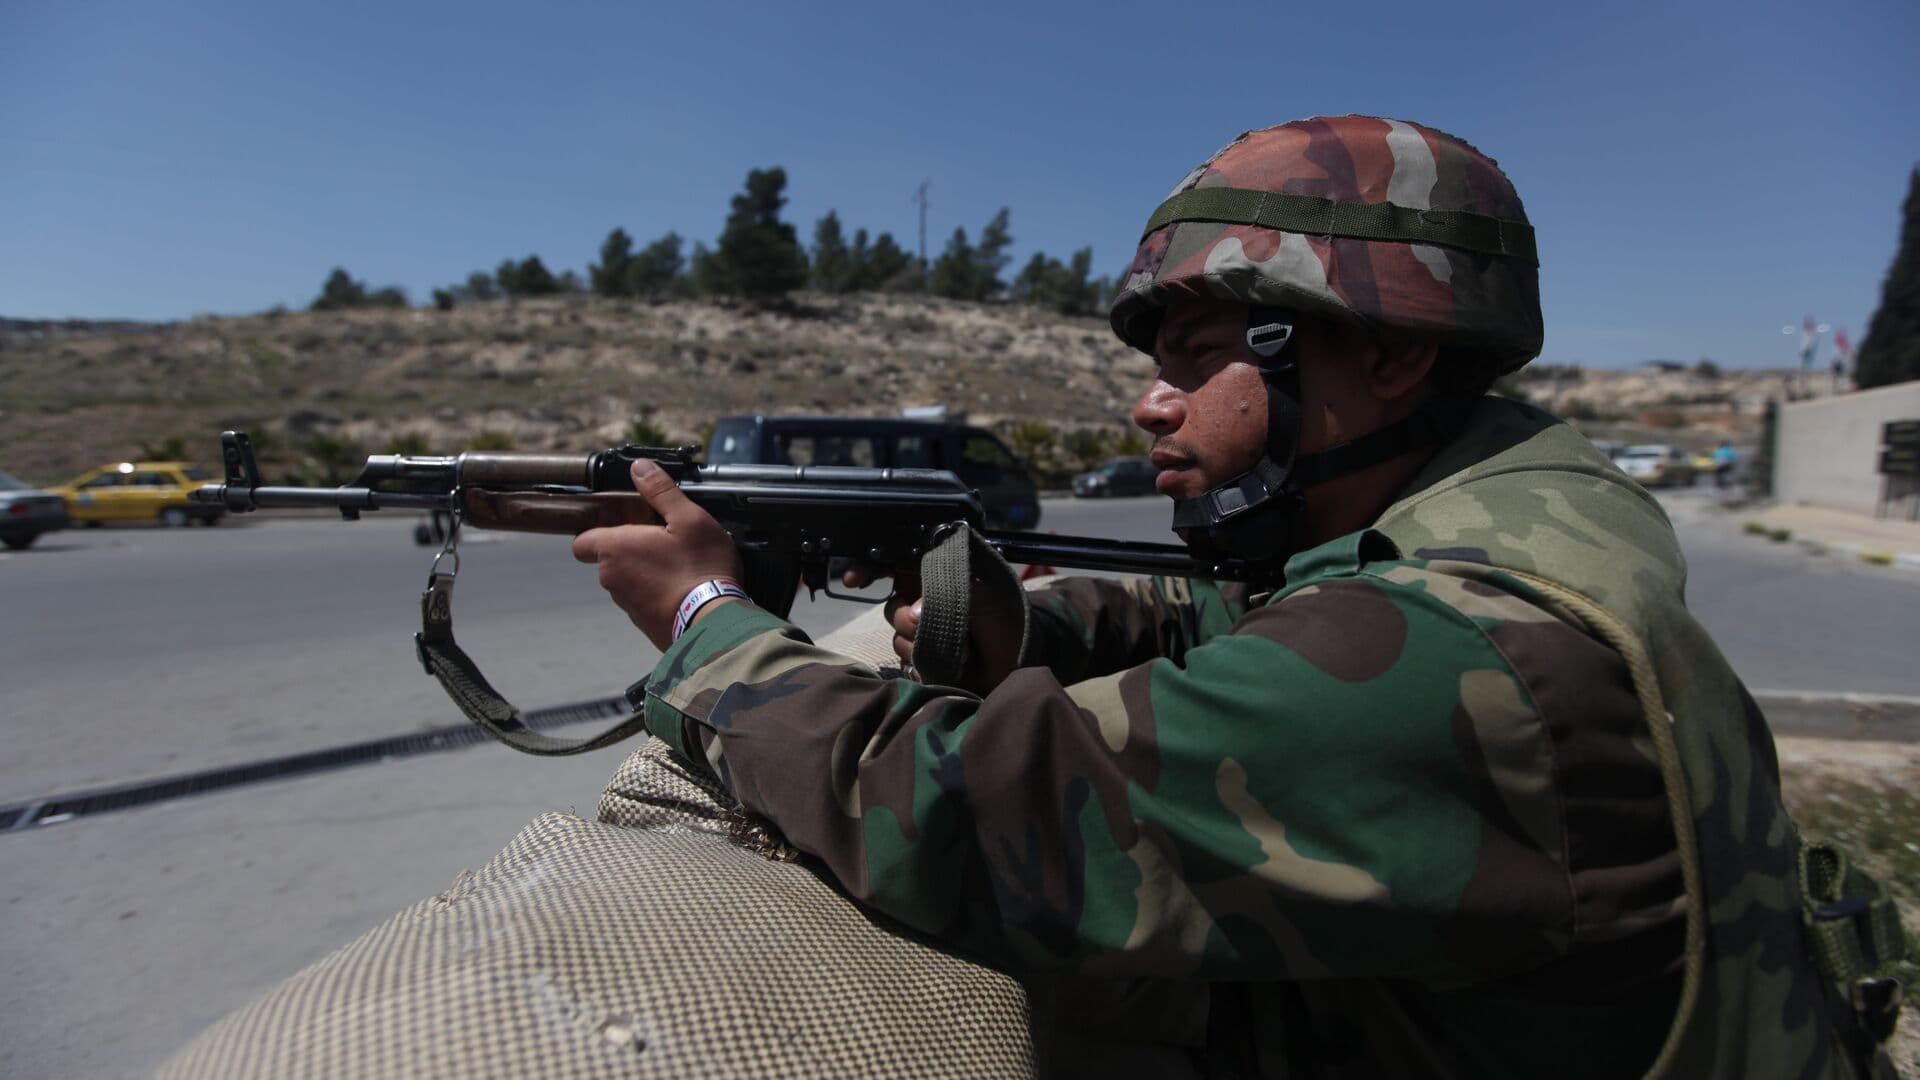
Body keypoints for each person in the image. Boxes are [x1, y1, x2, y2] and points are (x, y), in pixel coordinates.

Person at [572, 117, 1903, 1077]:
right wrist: (1035, 626)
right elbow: (1269, 625)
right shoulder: (1529, 513)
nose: (1151, 401)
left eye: (1200, 355)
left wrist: (708, 624)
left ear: (1384, 356)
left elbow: (971, 815)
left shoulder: (1461, 652)